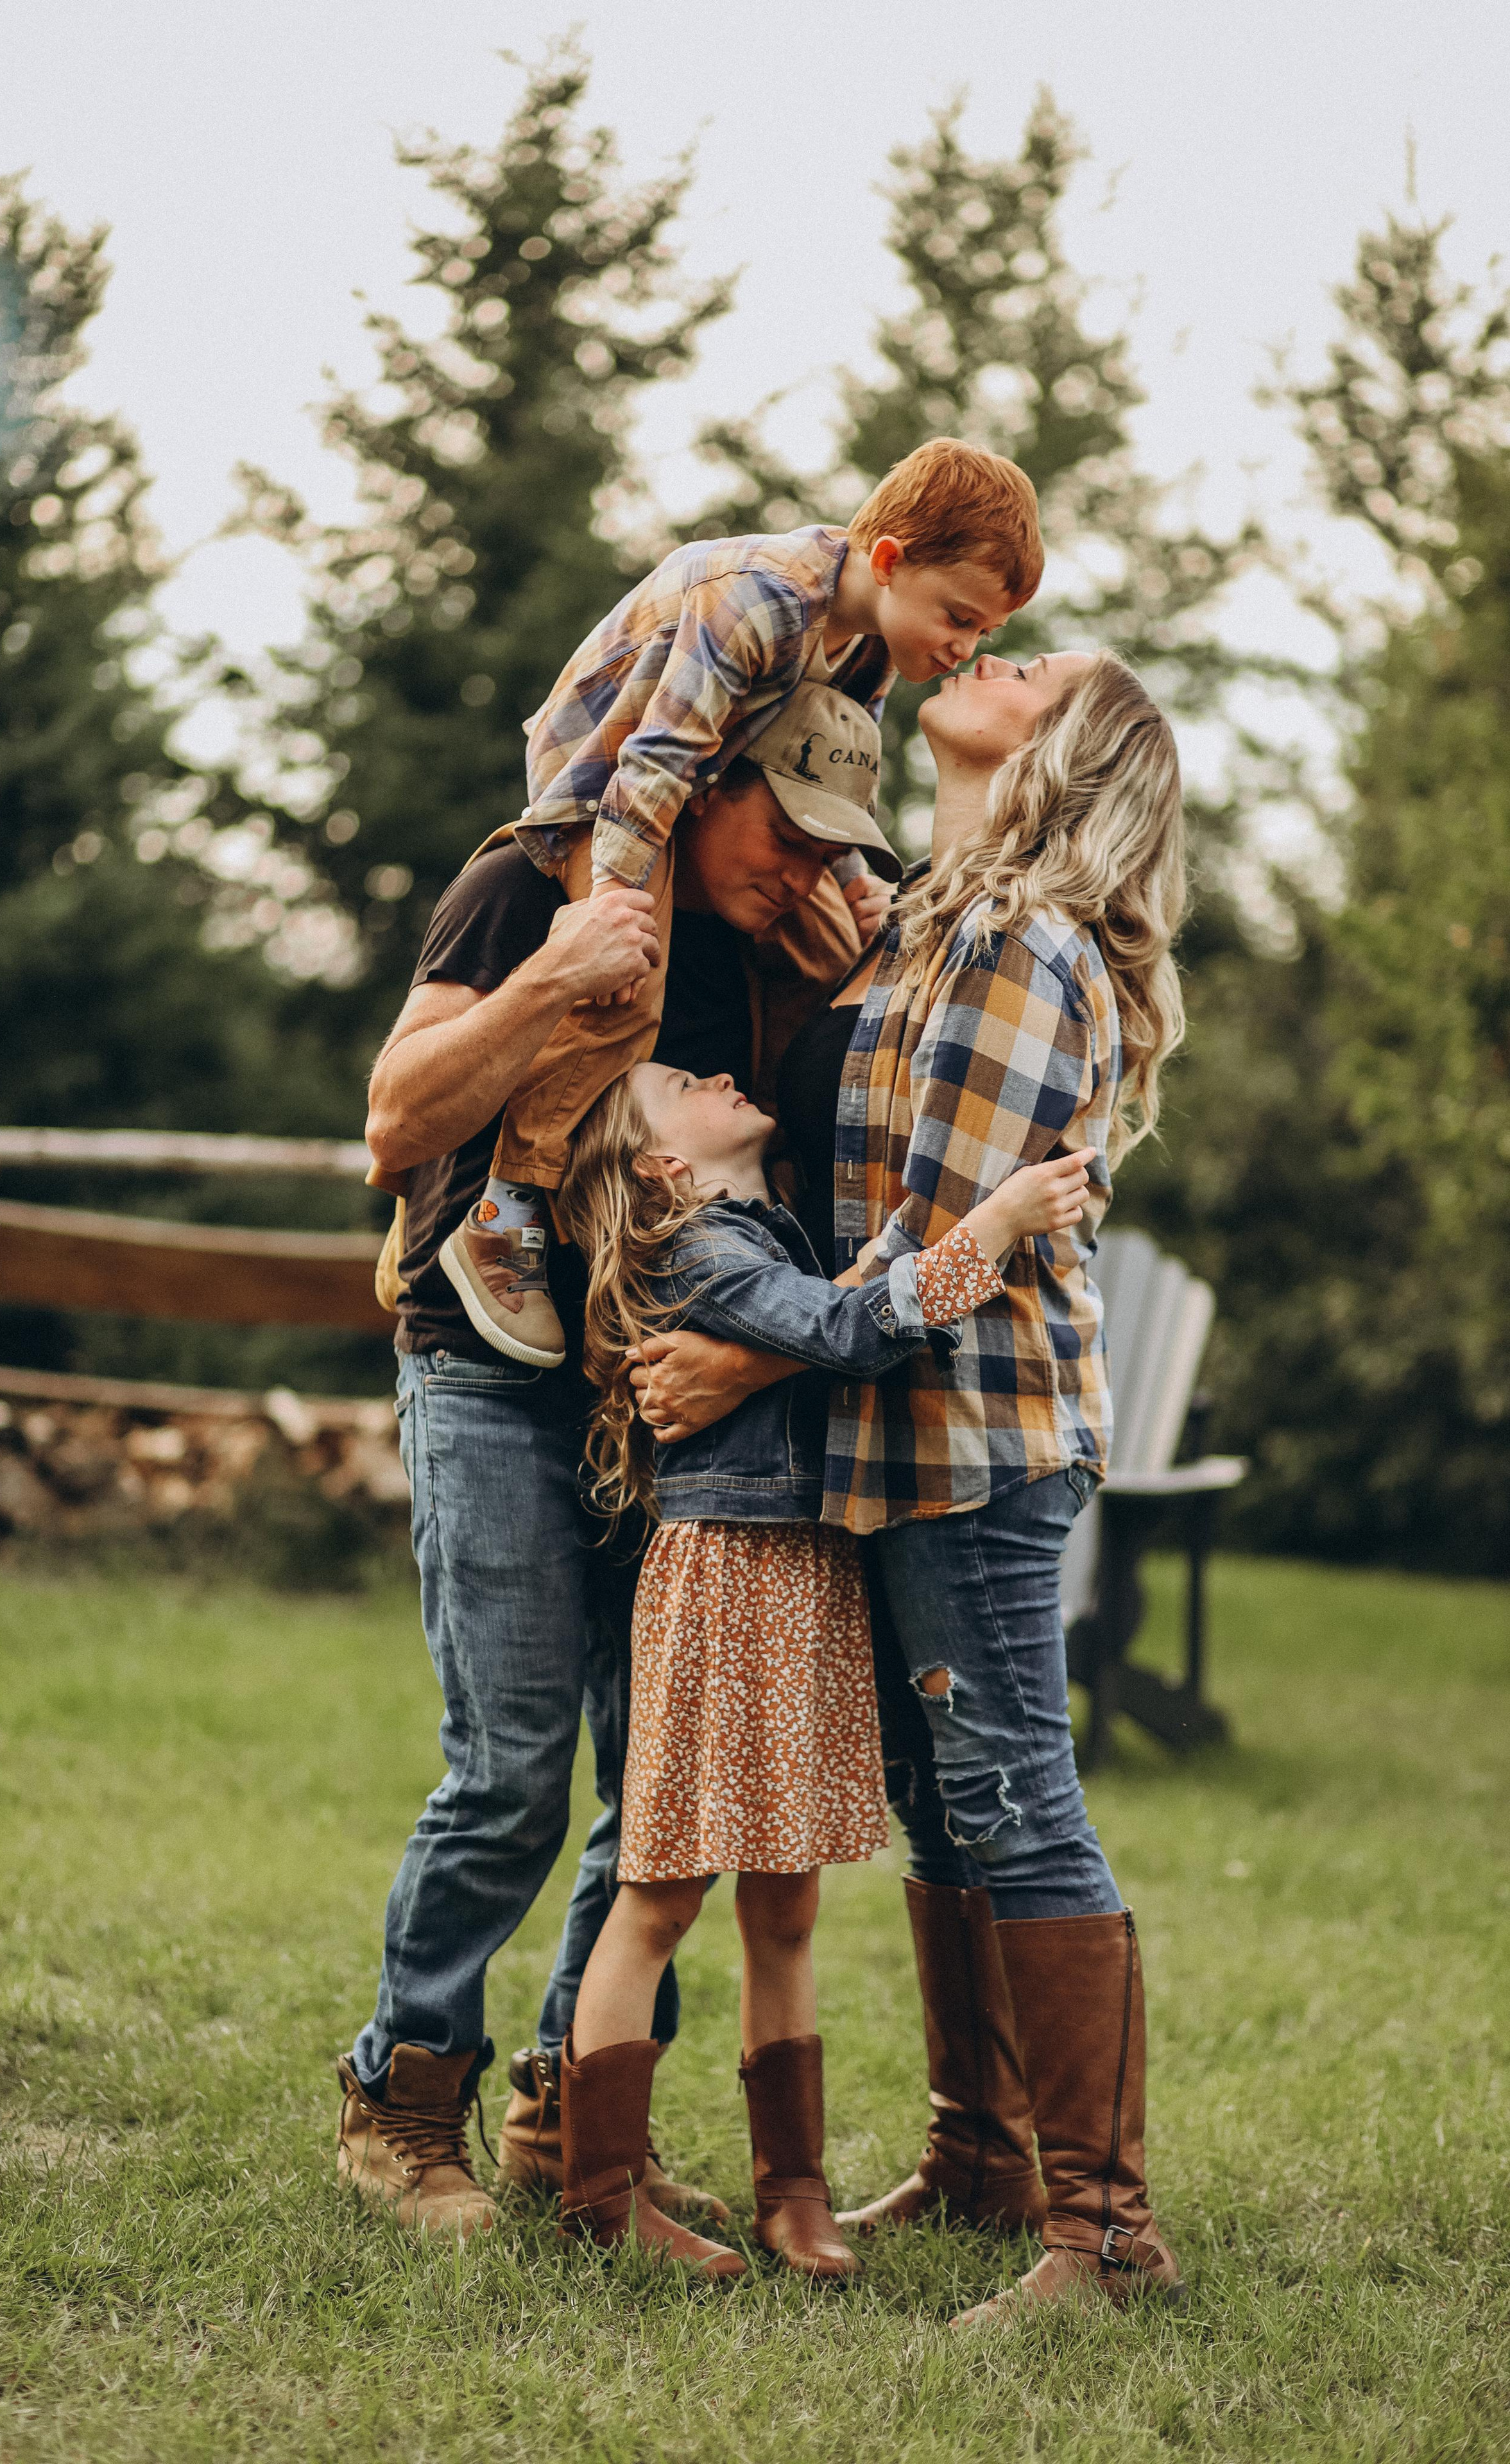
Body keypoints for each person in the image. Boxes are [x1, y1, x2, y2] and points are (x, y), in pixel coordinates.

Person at [628, 648, 1190, 2324]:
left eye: (1040, 667)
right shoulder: (935, 924)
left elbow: (944, 1221)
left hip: (977, 1436)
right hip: (895, 1432)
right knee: (949, 1805)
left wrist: (748, 1359)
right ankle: (980, 2155)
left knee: (1013, 1796)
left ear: (1069, 751)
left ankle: (1105, 2236)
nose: (997, 652)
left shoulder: (1022, 940)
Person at [335, 689, 899, 2239]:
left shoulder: (765, 951)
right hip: (489, 1373)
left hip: (660, 1400)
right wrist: (552, 977)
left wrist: (837, 981)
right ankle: (402, 2105)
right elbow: (392, 1125)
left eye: (830, 851)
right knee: (513, 1765)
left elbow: (778, 1206)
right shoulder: (527, 881)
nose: (801, 871)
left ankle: (572, 2123)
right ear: (705, 786)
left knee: (649, 1787)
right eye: (784, 833)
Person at [551, 1059, 1095, 2279]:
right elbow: (851, 1334)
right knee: (663, 1895)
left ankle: (791, 2193)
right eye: (685, 1082)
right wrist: (998, 1220)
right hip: (729, 1585)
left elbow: (839, 1309)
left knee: (787, 1905)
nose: (723, 1073)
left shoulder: (770, 1232)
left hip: (807, 1581)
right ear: (664, 1167)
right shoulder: (701, 1249)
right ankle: (599, 2191)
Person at [424, 440, 1044, 1370]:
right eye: (959, 617)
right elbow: (655, 762)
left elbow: (840, 771)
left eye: (985, 632)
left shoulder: (867, 645)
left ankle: (797, 1206)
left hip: (702, 786)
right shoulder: (760, 600)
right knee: (626, 981)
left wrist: (858, 889)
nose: (965, 649)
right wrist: (618, 909)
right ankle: (505, 1209)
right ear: (888, 560)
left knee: (833, 955)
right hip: (606, 786)